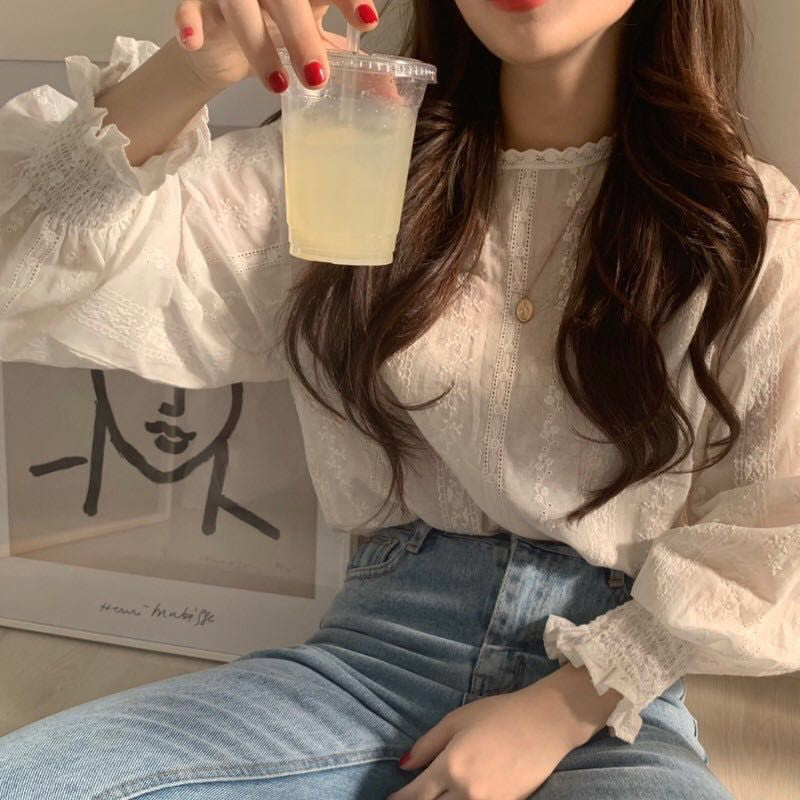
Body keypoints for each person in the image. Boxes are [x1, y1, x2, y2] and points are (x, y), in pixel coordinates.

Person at [0, 0, 798, 797]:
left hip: (611, 706)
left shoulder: (752, 230)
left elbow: (775, 534)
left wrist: (565, 706)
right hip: (363, 666)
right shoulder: (352, 156)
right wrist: (189, 69)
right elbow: (23, 271)